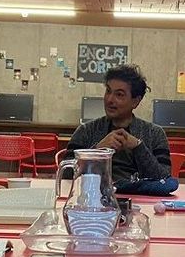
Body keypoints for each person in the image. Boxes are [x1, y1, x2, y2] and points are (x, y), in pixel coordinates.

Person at [65, 64, 177, 195]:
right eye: (108, 91)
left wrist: (138, 147)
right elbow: (66, 174)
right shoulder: (85, 131)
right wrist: (97, 152)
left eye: (119, 94)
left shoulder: (154, 133)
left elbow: (164, 179)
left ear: (135, 101)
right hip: (93, 198)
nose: (110, 99)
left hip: (140, 200)